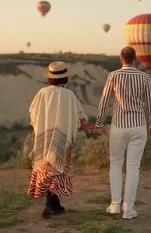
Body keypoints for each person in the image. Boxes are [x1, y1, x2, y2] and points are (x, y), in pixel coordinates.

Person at [27, 61, 100, 218]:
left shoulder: (42, 93)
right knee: (58, 170)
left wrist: (37, 130)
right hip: (62, 138)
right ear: (65, 78)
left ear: (50, 78)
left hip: (44, 137)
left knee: (47, 169)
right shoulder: (69, 95)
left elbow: (33, 113)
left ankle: (53, 204)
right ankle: (51, 204)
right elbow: (80, 118)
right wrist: (94, 131)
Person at [95, 46, 151, 220]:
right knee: (133, 168)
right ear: (135, 58)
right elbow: (150, 103)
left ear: (121, 58)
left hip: (118, 127)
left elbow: (104, 102)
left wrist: (99, 124)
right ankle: (128, 209)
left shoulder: (113, 76)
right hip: (139, 127)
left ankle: (115, 205)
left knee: (115, 164)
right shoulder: (144, 77)